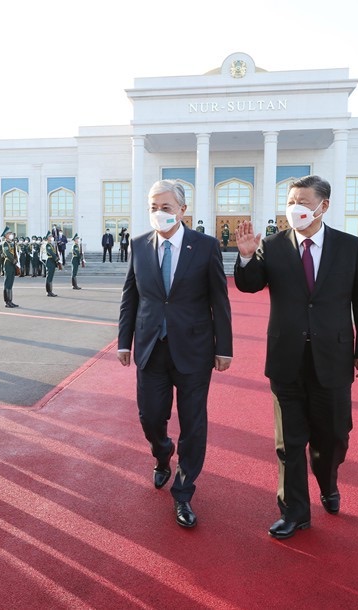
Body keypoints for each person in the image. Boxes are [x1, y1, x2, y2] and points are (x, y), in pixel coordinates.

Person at [234, 174, 358, 541]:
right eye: (290, 201)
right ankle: (295, 511)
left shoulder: (350, 247)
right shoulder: (273, 245)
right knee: (289, 443)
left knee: (333, 437)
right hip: (286, 358)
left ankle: (328, 482)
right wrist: (247, 257)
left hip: (333, 357)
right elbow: (250, 284)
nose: (294, 208)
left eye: (302, 201)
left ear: (323, 206)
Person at [118, 179, 232, 529]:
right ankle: (162, 451)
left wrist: (224, 348)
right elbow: (131, 297)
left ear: (183, 210)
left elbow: (219, 300)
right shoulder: (138, 246)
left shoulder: (205, 246)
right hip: (151, 348)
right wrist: (124, 341)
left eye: (166, 207)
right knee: (150, 417)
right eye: (153, 207)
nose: (159, 213)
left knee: (193, 423)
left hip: (195, 350)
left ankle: (183, 492)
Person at [1, 226, 20, 307]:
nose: (11, 234)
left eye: (11, 233)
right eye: (9, 233)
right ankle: (7, 301)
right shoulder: (5, 243)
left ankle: (10, 300)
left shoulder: (12, 243)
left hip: (12, 264)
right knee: (7, 282)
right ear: (5, 235)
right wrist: (14, 261)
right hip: (8, 263)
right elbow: (8, 253)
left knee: (11, 282)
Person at [43, 231, 62, 296]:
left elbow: (55, 252)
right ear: (47, 238)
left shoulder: (51, 245)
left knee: (51, 277)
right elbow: (51, 252)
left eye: (51, 236)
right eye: (50, 236)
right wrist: (56, 258)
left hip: (52, 261)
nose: (51, 237)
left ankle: (50, 291)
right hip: (50, 261)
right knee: (49, 277)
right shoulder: (48, 245)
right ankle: (48, 292)